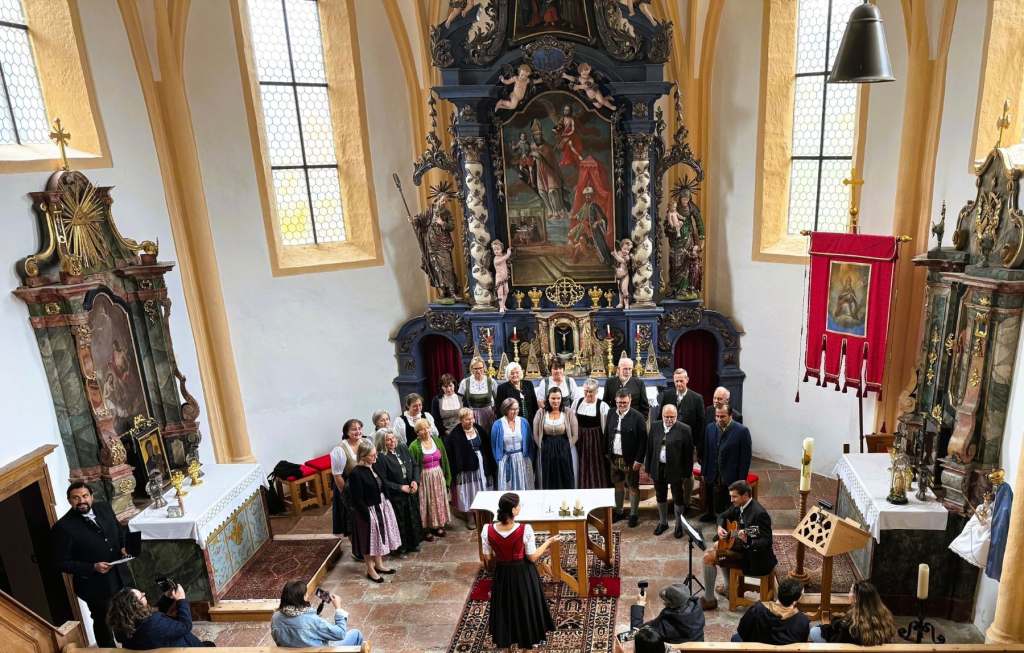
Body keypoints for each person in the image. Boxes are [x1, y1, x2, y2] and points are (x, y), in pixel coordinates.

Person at [53, 482, 131, 647]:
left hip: (120, 576)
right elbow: (61, 563)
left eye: (85, 496)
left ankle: (129, 647)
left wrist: (124, 546)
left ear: (91, 496)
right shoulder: (63, 527)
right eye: (76, 498)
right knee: (103, 621)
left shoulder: (104, 508)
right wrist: (92, 567)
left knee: (126, 615)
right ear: (69, 501)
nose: (81, 501)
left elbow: (119, 530)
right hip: (94, 586)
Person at [482, 493, 559, 651]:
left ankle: (508, 644)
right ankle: (527, 642)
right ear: (513, 510)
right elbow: (532, 557)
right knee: (525, 607)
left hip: (502, 575)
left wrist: (502, 555)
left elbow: (488, 558)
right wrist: (548, 542)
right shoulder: (525, 529)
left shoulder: (486, 530)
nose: (520, 508)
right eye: (518, 506)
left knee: (505, 608)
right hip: (523, 575)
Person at [701, 480, 777, 611]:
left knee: (708, 558)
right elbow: (722, 516)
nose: (731, 500)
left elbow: (767, 541)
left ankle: (709, 600)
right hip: (743, 549)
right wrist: (720, 527)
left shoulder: (759, 514)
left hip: (754, 559)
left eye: (734, 496)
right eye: (731, 496)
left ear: (745, 495)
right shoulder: (739, 505)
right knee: (717, 545)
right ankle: (728, 588)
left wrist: (748, 541)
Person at [347, 440, 402, 582]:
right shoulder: (356, 473)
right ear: (363, 456)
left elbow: (381, 484)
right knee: (368, 540)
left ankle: (379, 564)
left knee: (378, 538)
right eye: (372, 455)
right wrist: (368, 515)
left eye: (375, 454)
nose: (375, 457)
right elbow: (357, 498)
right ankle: (370, 570)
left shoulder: (373, 466)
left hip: (380, 506)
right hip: (367, 511)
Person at [643, 404, 694, 537]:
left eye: (673, 417)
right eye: (667, 417)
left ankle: (678, 525)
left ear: (677, 416)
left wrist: (687, 473)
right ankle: (663, 522)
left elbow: (688, 454)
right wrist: (648, 468)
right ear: (662, 415)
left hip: (677, 469)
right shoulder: (655, 426)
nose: (669, 419)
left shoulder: (685, 429)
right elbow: (649, 448)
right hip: (658, 466)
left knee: (678, 497)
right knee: (660, 494)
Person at [107, 584, 211, 648]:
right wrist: (181, 600)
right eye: (142, 596)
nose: (144, 593)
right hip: (186, 649)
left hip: (157, 646)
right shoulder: (153, 624)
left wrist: (166, 598)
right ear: (137, 606)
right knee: (210, 646)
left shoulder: (121, 627)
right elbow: (185, 626)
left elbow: (149, 614)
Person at [373, 429, 423, 554]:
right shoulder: (380, 457)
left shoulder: (402, 448)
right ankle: (402, 546)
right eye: (388, 440)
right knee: (401, 520)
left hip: (410, 489)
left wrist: (415, 481)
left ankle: (414, 543)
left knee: (413, 518)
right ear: (382, 442)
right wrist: (400, 487)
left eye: (393, 438)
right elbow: (383, 481)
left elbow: (415, 465)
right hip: (396, 495)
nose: (392, 441)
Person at [271, 580, 363, 647]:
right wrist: (338, 608)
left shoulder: (275, 618)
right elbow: (340, 633)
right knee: (356, 634)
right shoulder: (311, 620)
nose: (307, 596)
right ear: (302, 598)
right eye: (306, 594)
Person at [446, 407, 497, 528]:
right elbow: (453, 454)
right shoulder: (455, 434)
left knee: (482, 488)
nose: (470, 421)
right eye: (467, 419)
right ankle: (470, 517)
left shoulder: (479, 429)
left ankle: (484, 514)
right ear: (461, 420)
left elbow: (487, 447)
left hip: (481, 465)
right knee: (469, 491)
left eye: (472, 418)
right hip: (466, 468)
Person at [701, 404, 752, 521]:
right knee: (716, 504)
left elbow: (745, 459)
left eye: (722, 416)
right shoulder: (709, 428)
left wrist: (741, 481)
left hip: (731, 477)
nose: (719, 419)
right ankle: (718, 523)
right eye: (717, 416)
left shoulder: (742, 431)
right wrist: (704, 472)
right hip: (713, 474)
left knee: (731, 508)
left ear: (730, 415)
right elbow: (706, 452)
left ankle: (729, 527)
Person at [809, 581, 896, 645]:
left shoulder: (851, 625)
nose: (848, 594)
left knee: (814, 631)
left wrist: (836, 624)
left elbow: (837, 643)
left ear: (856, 598)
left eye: (850, 591)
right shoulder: (886, 617)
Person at [607, 389, 647, 527]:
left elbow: (643, 441)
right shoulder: (611, 413)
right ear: (615, 400)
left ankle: (633, 514)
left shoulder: (638, 417)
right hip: (614, 457)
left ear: (630, 400)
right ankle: (619, 511)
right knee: (618, 484)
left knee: (633, 486)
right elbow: (607, 433)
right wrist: (607, 453)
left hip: (631, 459)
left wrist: (639, 460)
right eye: (619, 402)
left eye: (624, 402)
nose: (622, 405)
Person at [409, 418, 452, 541]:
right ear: (417, 432)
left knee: (438, 500)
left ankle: (437, 525)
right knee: (426, 502)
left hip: (438, 474)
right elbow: (413, 466)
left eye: (427, 428)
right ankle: (426, 528)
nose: (425, 431)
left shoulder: (437, 441)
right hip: (425, 477)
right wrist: (415, 481)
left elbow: (444, 460)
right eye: (422, 429)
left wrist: (447, 477)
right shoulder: (414, 446)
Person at [732, 578, 809, 644]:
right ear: (795, 601)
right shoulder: (802, 621)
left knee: (736, 637)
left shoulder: (757, 609)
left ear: (779, 592)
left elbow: (742, 631)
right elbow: (801, 644)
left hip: (756, 650)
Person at [532, 386, 579, 489]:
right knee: (548, 476)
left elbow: (575, 435)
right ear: (548, 399)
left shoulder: (568, 412)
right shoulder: (541, 412)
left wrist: (567, 447)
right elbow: (535, 434)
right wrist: (541, 446)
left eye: (558, 398)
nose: (556, 401)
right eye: (553, 398)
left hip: (564, 447)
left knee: (565, 475)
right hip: (547, 447)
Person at [626, 583, 705, 645]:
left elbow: (635, 633)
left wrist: (640, 604)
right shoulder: (697, 610)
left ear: (671, 605)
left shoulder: (664, 626)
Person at [659, 368, 705, 462]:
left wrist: (696, 446)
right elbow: (660, 417)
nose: (679, 384)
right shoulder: (667, 395)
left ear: (687, 380)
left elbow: (701, 424)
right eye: (676, 381)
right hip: (669, 441)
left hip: (688, 442)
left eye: (681, 381)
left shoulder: (697, 398)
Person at [330, 419, 364, 545]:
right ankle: (356, 548)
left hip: (363, 488)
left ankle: (366, 546)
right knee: (351, 520)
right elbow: (337, 475)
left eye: (359, 428)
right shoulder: (340, 450)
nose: (358, 431)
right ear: (346, 432)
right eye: (354, 429)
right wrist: (346, 495)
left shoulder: (365, 443)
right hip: (348, 488)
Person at [572, 378, 610, 488]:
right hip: (580, 440)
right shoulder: (577, 402)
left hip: (595, 441)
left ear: (597, 391)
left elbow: (605, 428)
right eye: (586, 391)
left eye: (591, 392)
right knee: (580, 464)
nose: (588, 394)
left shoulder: (602, 406)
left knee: (595, 465)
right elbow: (572, 422)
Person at [491, 398, 535, 491]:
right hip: (505, 460)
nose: (515, 411)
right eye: (512, 409)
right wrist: (499, 461)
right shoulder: (497, 425)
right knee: (508, 488)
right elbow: (494, 446)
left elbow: (530, 442)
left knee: (524, 486)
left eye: (517, 408)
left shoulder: (524, 422)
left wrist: (530, 459)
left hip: (522, 460)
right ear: (505, 409)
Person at [459, 357, 498, 435]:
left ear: (484, 368)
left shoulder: (491, 382)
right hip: (471, 416)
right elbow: (460, 401)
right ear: (472, 369)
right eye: (476, 368)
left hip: (488, 415)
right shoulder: (465, 382)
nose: (478, 370)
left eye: (480, 368)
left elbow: (497, 400)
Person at [431, 374, 463, 438]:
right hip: (445, 433)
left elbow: (466, 416)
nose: (448, 389)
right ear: (442, 387)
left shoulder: (462, 397)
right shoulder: (436, 400)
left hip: (462, 430)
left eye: (450, 386)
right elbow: (436, 420)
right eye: (445, 387)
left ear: (454, 385)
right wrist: (445, 431)